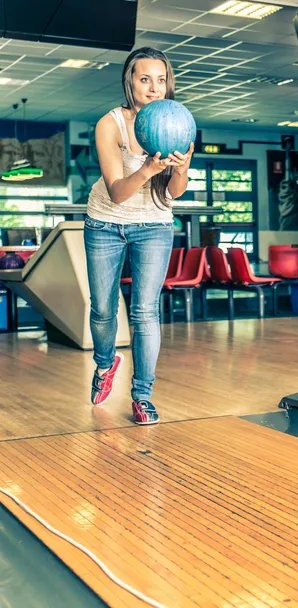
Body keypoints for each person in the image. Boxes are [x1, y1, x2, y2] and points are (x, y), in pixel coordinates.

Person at [86, 47, 193, 425]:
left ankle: (143, 396)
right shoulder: (110, 124)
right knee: (102, 308)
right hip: (105, 223)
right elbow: (117, 191)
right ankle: (104, 363)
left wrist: (180, 168)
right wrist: (148, 168)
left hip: (154, 226)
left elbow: (175, 192)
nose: (153, 88)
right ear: (129, 81)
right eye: (144, 79)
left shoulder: (178, 125)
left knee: (145, 312)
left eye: (161, 80)